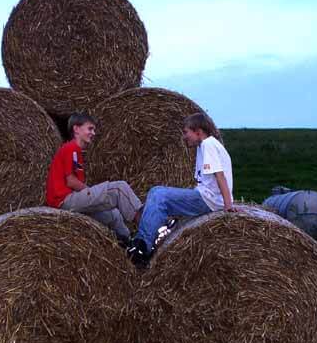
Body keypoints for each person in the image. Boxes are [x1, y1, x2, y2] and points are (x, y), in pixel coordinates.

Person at [129, 112, 233, 263]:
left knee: (159, 195)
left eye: (186, 132)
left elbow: (220, 176)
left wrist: (228, 205)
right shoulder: (205, 145)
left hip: (209, 201)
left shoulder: (208, 144)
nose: (184, 137)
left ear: (198, 131)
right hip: (206, 197)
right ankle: (150, 239)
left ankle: (142, 247)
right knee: (156, 193)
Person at [45, 112, 143, 242]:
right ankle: (148, 226)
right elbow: (71, 181)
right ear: (76, 129)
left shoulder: (76, 152)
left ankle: (130, 244)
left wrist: (95, 196)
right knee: (119, 188)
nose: (93, 133)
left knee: (113, 214)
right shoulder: (70, 148)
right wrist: (91, 191)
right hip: (64, 201)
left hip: (70, 202)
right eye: (90, 128)